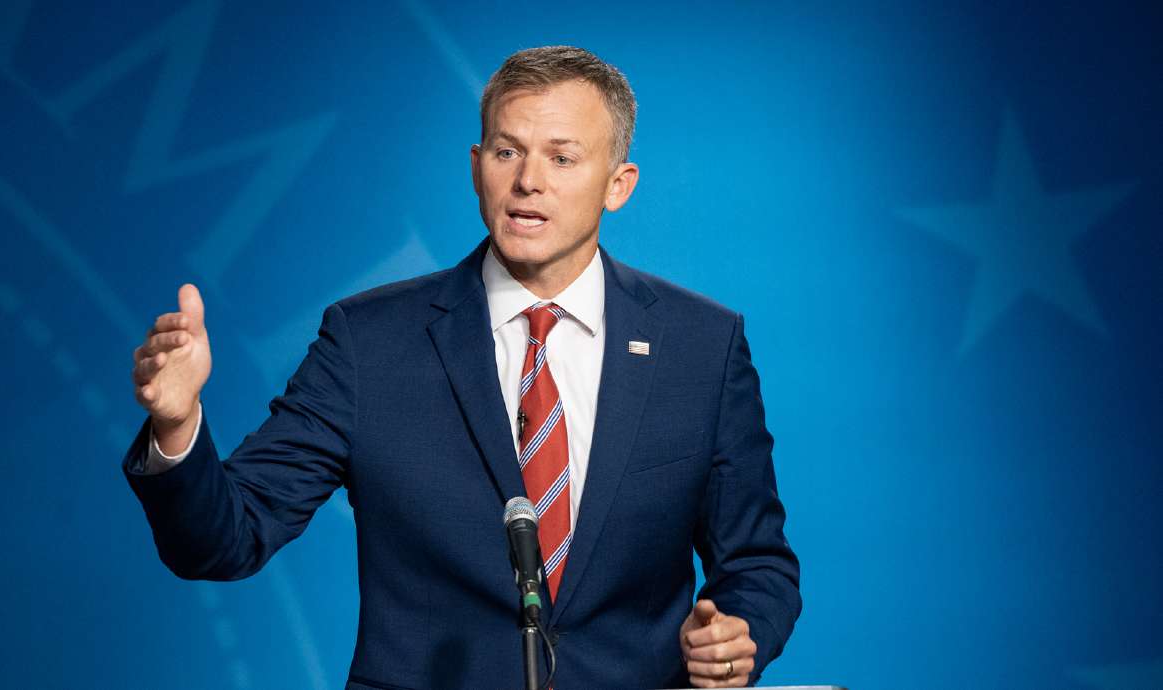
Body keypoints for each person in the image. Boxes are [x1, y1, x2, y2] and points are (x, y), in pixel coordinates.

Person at [124, 46, 801, 688]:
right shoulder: (369, 342)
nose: (527, 180)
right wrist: (178, 427)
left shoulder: (700, 345)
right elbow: (224, 541)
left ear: (617, 184)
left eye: (562, 158)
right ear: (477, 165)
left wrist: (739, 634)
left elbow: (757, 563)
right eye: (507, 151)